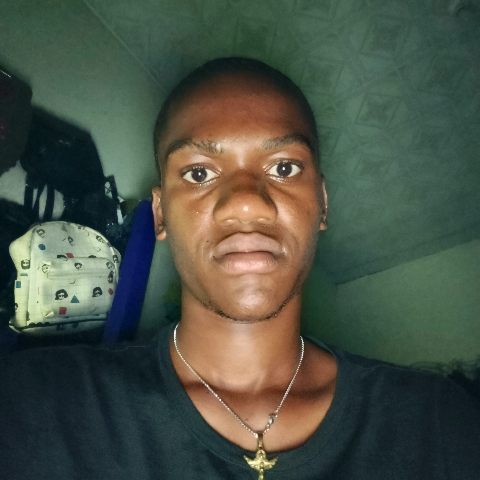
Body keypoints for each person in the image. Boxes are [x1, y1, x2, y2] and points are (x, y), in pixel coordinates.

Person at [0, 57, 479, 479]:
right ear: (160, 215)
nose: (246, 203)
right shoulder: (34, 402)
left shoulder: (440, 421)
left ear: (323, 203)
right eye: (199, 172)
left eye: (284, 168)